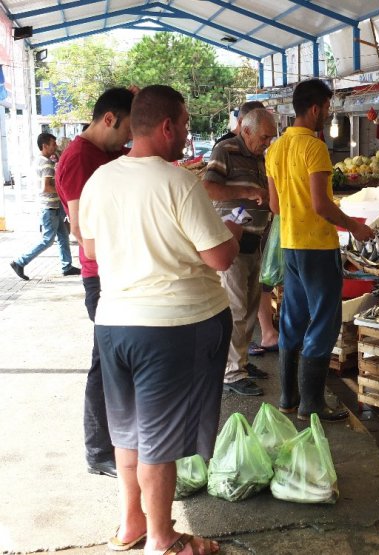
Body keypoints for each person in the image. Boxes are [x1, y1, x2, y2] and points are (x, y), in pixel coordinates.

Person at [79, 84, 238, 555]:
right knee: (159, 444)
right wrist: (228, 231)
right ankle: (164, 540)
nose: (187, 134)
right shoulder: (178, 182)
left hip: (114, 325)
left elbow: (89, 249)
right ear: (167, 126)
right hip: (172, 329)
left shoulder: (101, 181)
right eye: (186, 124)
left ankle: (132, 526)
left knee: (127, 435)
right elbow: (220, 259)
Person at [266, 79, 374, 421]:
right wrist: (355, 226)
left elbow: (274, 205)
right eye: (327, 109)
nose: (327, 115)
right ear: (315, 108)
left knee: (293, 318)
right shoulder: (314, 148)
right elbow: (321, 205)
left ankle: (288, 398)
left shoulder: (276, 149)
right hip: (316, 246)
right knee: (325, 321)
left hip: (290, 245)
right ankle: (312, 403)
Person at [55, 87, 135, 479]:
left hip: (121, 270)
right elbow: (82, 231)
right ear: (109, 119)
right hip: (100, 276)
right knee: (105, 365)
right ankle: (99, 451)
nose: (130, 139)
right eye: (129, 128)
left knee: (117, 362)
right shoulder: (77, 160)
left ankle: (118, 441)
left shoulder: (107, 153)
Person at [203, 108, 277, 396]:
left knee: (249, 306)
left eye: (270, 138)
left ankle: (241, 362)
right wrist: (246, 193)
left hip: (256, 239)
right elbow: (208, 188)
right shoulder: (225, 150)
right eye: (264, 137)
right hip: (231, 238)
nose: (267, 143)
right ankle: (232, 373)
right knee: (235, 307)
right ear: (245, 131)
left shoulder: (260, 156)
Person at [9, 133, 80, 280]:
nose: (56, 146)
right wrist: (63, 190)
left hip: (53, 206)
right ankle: (20, 262)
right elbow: (46, 187)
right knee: (48, 240)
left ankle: (67, 266)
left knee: (63, 236)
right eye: (53, 144)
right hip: (49, 207)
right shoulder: (46, 163)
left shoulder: (41, 160)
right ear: (44, 146)